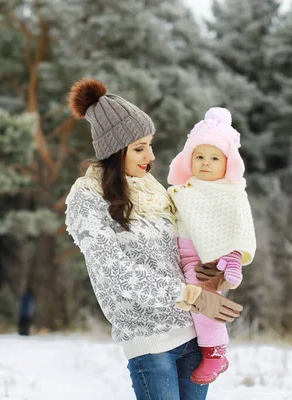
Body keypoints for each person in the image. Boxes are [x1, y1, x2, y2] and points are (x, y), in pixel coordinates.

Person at [64, 78, 244, 400]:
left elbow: (183, 250)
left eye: (150, 144)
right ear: (115, 151)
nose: (151, 155)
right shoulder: (87, 199)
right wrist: (192, 295)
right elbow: (115, 272)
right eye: (139, 148)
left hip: (193, 336)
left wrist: (214, 271)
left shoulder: (155, 191)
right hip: (150, 342)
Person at [166, 107, 257, 385]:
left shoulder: (231, 191)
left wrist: (233, 255)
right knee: (184, 294)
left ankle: (215, 352)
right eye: (199, 156)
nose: (206, 163)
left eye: (214, 158)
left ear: (227, 163)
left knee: (201, 294)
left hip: (208, 258)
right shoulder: (183, 190)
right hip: (181, 254)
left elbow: (239, 226)